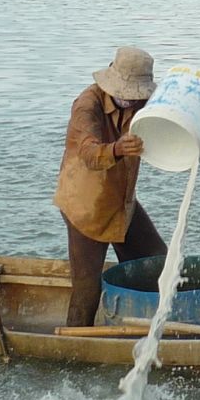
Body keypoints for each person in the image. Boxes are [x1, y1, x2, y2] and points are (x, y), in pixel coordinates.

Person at [54, 47, 168, 327]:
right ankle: (75, 349)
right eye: (128, 94)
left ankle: (146, 325)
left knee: (158, 264)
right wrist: (116, 149)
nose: (132, 100)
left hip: (121, 202)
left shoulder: (142, 104)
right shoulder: (87, 104)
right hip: (86, 206)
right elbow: (89, 153)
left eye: (137, 95)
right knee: (87, 288)